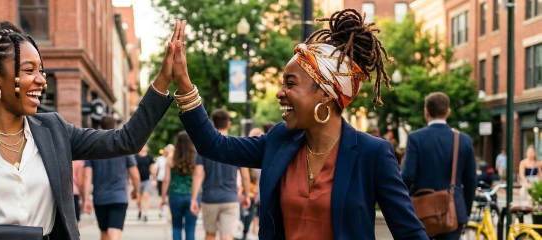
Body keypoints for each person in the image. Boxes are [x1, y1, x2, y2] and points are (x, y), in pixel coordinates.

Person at [0, 18, 180, 240]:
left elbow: (127, 140)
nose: (41, 80)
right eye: (29, 70)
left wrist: (163, 80)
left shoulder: (54, 131)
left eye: (41, 70)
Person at [172, 9, 427, 240]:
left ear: (326, 94)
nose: (280, 93)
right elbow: (214, 146)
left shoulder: (373, 154)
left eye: (290, 84)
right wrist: (184, 83)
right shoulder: (278, 140)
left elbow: (410, 233)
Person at [401, 92, 477, 240]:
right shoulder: (464, 140)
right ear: (448, 112)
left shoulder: (416, 138)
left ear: (426, 112)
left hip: (422, 211)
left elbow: (407, 176)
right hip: (454, 212)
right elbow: (471, 182)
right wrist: (464, 211)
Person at [189, 109, 250, 240]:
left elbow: (198, 175)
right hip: (230, 198)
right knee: (227, 236)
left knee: (210, 235)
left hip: (209, 198)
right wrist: (247, 195)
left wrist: (194, 199)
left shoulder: (204, 147)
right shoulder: (237, 145)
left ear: (212, 124)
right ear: (229, 124)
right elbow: (245, 174)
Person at [83, 116, 140, 240]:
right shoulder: (123, 147)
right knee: (114, 233)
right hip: (119, 197)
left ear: (99, 128)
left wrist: (86, 199)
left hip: (100, 198)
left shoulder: (93, 149)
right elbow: (135, 174)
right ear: (115, 127)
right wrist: (136, 190)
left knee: (104, 233)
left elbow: (87, 175)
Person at [160, 131, 198, 240]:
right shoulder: (195, 158)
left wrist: (163, 197)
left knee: (176, 226)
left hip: (175, 194)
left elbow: (166, 180)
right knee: (190, 228)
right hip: (192, 195)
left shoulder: (171, 158)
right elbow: (199, 177)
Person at [134, 145, 154, 222]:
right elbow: (133, 168)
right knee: (138, 199)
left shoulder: (149, 157)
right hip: (138, 181)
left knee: (146, 196)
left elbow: (152, 167)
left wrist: (154, 178)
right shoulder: (136, 157)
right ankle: (139, 210)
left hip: (147, 180)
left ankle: (145, 214)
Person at [155, 144, 174, 220]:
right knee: (161, 198)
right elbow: (155, 167)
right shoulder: (161, 159)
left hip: (169, 180)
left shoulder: (172, 159)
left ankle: (170, 214)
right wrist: (154, 178)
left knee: (169, 198)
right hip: (161, 179)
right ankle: (161, 211)